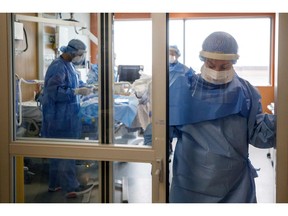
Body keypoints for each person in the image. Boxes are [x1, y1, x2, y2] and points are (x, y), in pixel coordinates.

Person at [169, 31, 276, 203]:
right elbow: (163, 128)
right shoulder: (186, 90)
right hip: (190, 182)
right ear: (203, 61)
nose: (217, 72)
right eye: (211, 65)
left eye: (224, 67)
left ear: (233, 63)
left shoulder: (245, 92)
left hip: (234, 185)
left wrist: (279, 122)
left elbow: (258, 134)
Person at [41, 39, 94, 198]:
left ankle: (55, 184)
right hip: (59, 117)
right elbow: (55, 92)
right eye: (80, 54)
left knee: (58, 152)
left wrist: (88, 88)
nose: (81, 57)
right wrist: (76, 92)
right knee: (65, 152)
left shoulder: (69, 65)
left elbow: (75, 83)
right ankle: (71, 187)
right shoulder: (58, 67)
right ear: (72, 52)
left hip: (67, 115)